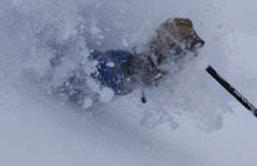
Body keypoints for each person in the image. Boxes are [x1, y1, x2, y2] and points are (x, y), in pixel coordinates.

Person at [75, 17, 205, 102]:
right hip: (126, 63)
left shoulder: (174, 54)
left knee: (92, 67)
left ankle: (75, 78)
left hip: (126, 74)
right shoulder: (169, 44)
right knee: (95, 64)